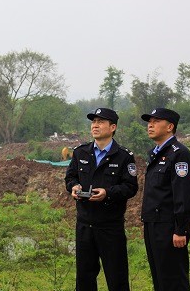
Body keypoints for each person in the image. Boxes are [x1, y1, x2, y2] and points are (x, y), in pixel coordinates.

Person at [65, 108, 138, 291]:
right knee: (84, 278)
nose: (95, 126)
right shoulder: (80, 152)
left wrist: (108, 193)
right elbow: (70, 177)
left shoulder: (124, 156)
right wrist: (73, 187)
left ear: (112, 127)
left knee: (117, 277)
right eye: (93, 122)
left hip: (110, 226)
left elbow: (130, 187)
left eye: (100, 122)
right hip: (84, 224)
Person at [140, 108, 190, 291]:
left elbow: (184, 193)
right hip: (152, 224)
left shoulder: (179, 154)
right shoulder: (155, 153)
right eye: (149, 121)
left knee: (173, 280)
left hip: (169, 227)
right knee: (160, 278)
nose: (150, 125)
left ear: (170, 126)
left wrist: (181, 229)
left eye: (156, 121)